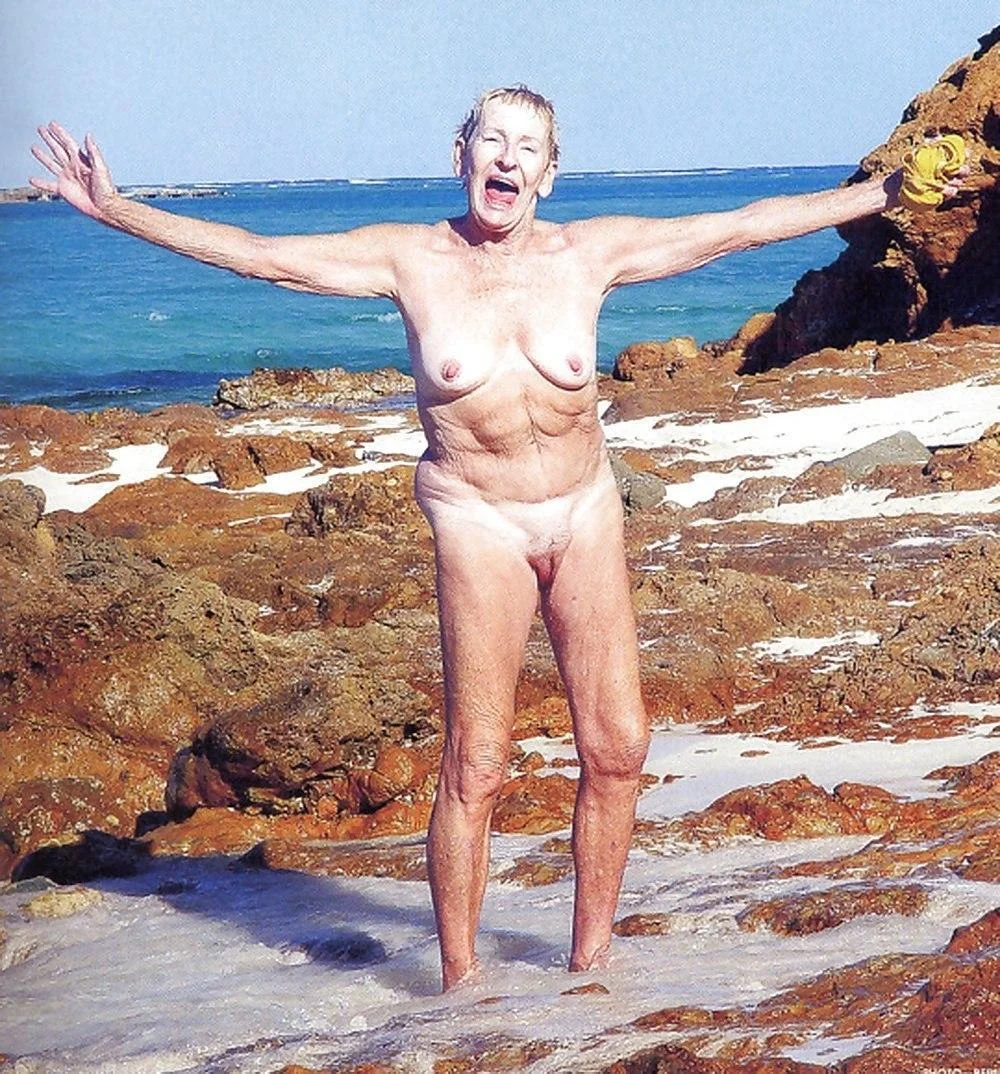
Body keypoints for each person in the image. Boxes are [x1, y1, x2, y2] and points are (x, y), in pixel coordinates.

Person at [29, 87, 953, 992]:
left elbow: (740, 225)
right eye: (491, 141)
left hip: (583, 510)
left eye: (527, 147)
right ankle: (460, 992)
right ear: (460, 156)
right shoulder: (409, 258)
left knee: (619, 747)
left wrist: (882, 194)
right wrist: (116, 209)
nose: (507, 158)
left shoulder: (588, 254)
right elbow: (263, 256)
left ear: (549, 174)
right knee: (477, 762)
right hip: (477, 518)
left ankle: (592, 965)